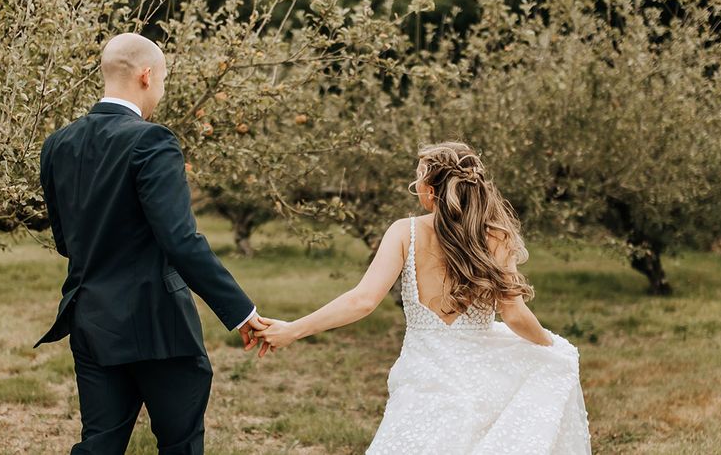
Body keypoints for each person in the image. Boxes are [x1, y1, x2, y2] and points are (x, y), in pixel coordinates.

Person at [256, 141, 591, 454]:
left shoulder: (405, 232)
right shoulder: (496, 237)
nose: (414, 186)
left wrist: (293, 330)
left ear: (430, 192)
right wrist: (550, 346)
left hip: (423, 376)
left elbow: (362, 301)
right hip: (481, 376)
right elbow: (515, 315)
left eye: (417, 178)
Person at [34, 32, 266, 454]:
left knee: (99, 444)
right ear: (146, 76)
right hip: (159, 327)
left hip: (91, 319)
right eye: (162, 81)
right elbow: (180, 240)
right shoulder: (152, 141)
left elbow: (67, 242)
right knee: (180, 445)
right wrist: (240, 311)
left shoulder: (57, 145)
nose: (160, 90)